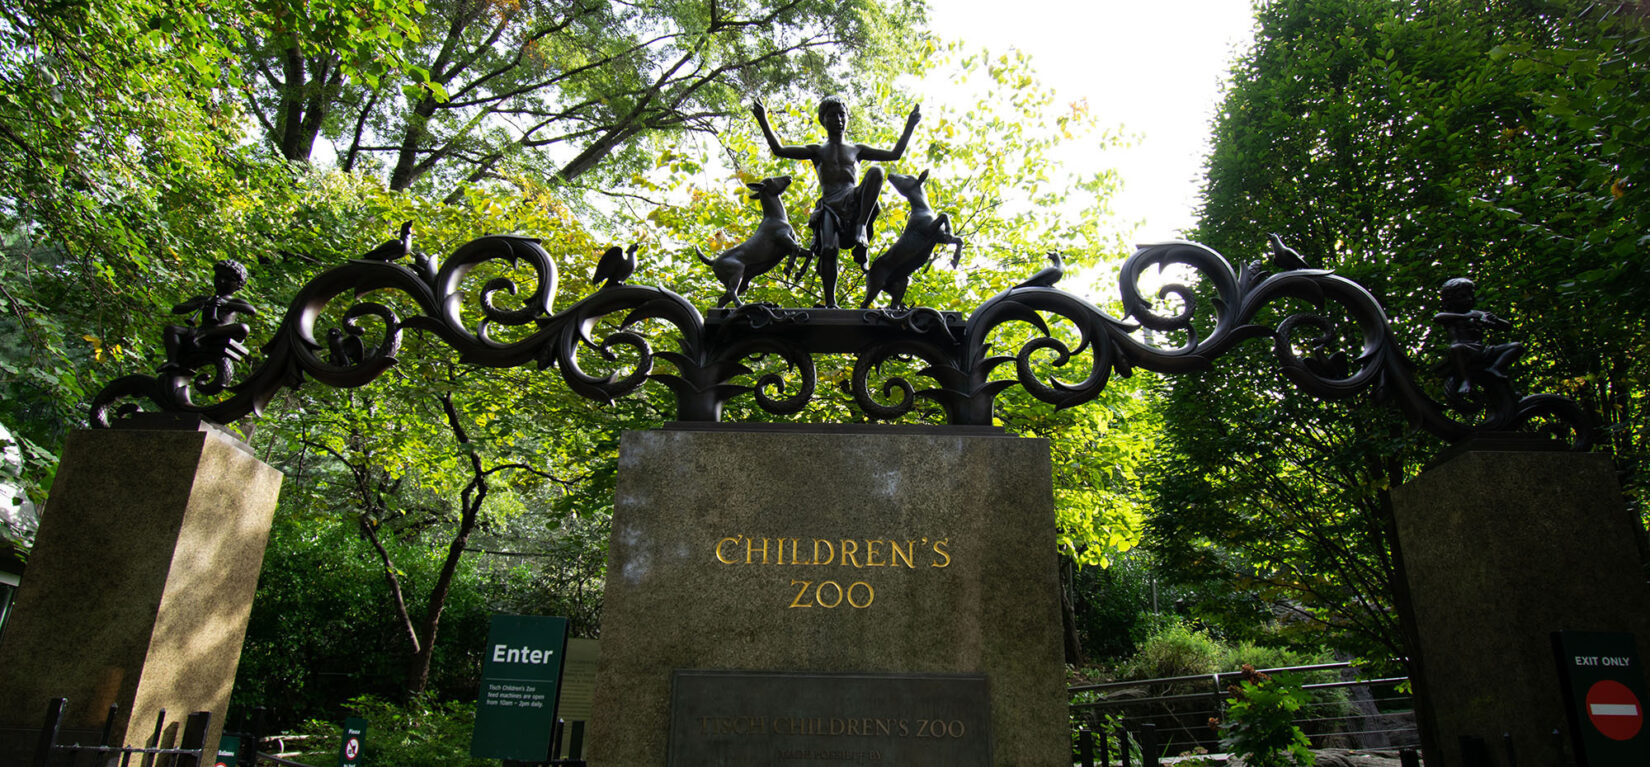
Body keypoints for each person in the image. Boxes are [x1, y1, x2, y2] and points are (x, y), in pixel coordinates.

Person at [752, 96, 920, 307]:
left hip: (854, 200)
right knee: (829, 250)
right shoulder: (817, 151)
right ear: (824, 120)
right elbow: (779, 149)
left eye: (842, 115)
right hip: (830, 205)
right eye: (832, 115)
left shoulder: (857, 149)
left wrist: (910, 126)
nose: (838, 119)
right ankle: (831, 303)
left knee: (877, 171)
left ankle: (861, 226)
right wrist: (762, 119)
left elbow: (895, 154)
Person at [1434, 277, 1522, 398]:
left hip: (1482, 350)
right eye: (1463, 296)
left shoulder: (1478, 314)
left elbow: (1506, 327)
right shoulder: (1453, 316)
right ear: (1451, 299)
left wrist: (1496, 320)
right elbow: (1438, 317)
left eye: (1470, 295)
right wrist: (1467, 317)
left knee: (1516, 347)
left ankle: (1495, 370)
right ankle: (1466, 380)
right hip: (1466, 350)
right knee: (1456, 348)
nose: (1468, 299)